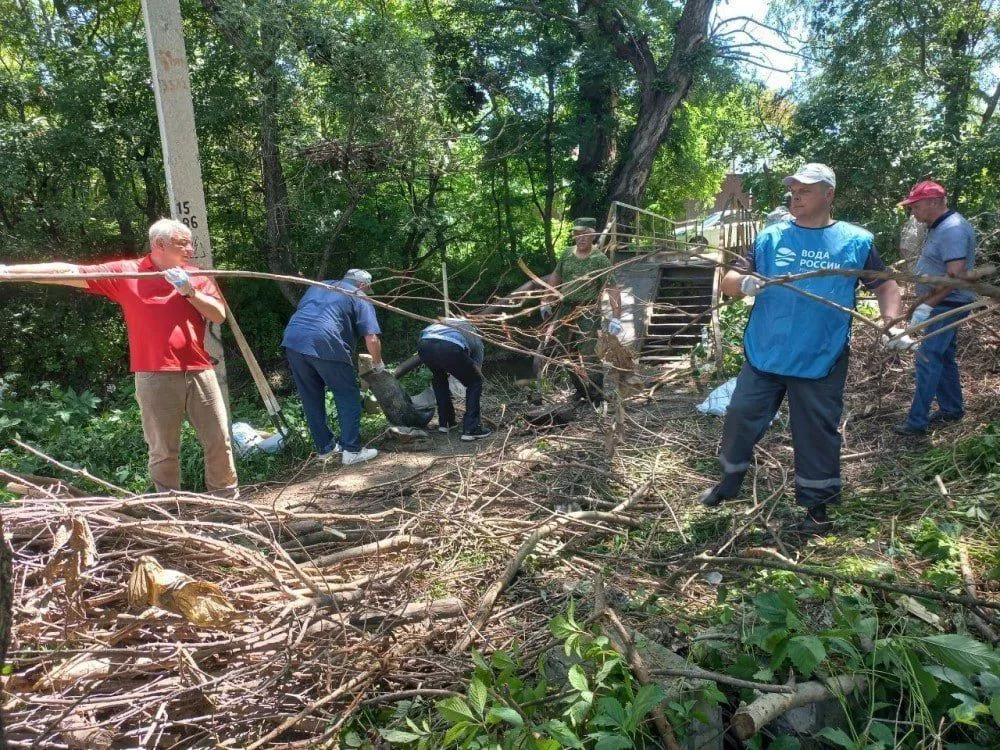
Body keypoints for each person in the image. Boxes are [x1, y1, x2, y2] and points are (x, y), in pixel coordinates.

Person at [699, 163, 908, 533]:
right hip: (767, 352)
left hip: (820, 357)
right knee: (739, 418)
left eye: (806, 190)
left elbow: (887, 287)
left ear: (829, 194)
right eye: (793, 189)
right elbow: (728, 280)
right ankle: (728, 483)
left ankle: (817, 509)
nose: (796, 195)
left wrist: (893, 324)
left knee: (816, 432)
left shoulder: (855, 241)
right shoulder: (771, 237)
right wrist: (744, 283)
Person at [0, 219, 239, 496]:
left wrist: (190, 291)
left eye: (190, 243)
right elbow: (69, 271)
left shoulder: (195, 274)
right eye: (182, 243)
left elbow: (217, 314)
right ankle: (171, 508)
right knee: (163, 450)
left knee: (219, 441)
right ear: (160, 244)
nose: (190, 248)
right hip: (154, 374)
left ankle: (228, 503)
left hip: (199, 370)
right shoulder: (129, 273)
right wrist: (9, 271)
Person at [893, 181, 977, 436]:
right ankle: (952, 409)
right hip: (943, 304)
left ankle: (916, 422)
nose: (913, 212)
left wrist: (927, 306)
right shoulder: (940, 226)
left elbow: (955, 276)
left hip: (946, 305)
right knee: (943, 357)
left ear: (933, 202)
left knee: (927, 358)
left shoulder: (952, 229)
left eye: (916, 206)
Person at [282, 269, 382, 465]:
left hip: (293, 341)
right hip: (326, 343)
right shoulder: (358, 295)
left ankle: (326, 449)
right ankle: (351, 450)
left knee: (311, 397)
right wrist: (378, 364)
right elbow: (371, 337)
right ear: (362, 285)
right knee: (347, 395)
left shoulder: (320, 285)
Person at [541, 217, 623, 404]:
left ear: (593, 234)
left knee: (589, 354)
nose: (581, 238)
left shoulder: (599, 260)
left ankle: (596, 395)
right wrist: (546, 299)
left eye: (585, 233)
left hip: (588, 311)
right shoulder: (567, 254)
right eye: (577, 234)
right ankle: (580, 390)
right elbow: (556, 276)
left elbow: (612, 288)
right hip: (566, 310)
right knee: (564, 352)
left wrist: (616, 317)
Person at [417, 317, 491, 441]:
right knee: (475, 382)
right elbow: (476, 371)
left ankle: (446, 422)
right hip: (449, 346)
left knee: (439, 378)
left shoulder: (452, 322)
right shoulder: (476, 339)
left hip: (424, 344)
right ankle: (471, 429)